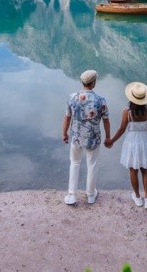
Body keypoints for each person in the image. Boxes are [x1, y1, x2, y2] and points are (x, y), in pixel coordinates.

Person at [61, 69, 110, 205]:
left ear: (82, 82)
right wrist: (108, 137)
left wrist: (64, 134)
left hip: (76, 137)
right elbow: (106, 120)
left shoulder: (72, 97)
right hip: (93, 138)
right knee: (92, 165)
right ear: (93, 82)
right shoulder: (100, 100)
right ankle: (90, 195)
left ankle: (71, 195)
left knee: (75, 163)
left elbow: (67, 117)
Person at [105, 81, 147, 210]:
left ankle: (138, 197)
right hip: (145, 140)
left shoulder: (127, 112)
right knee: (145, 169)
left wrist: (112, 141)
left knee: (133, 170)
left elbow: (122, 129)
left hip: (132, 142)